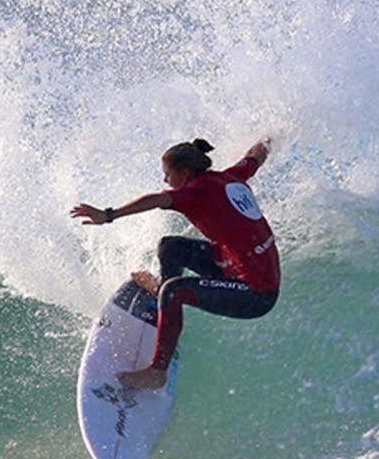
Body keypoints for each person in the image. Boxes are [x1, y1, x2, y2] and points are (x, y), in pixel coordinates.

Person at [70, 136, 279, 390]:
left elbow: (156, 200)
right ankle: (162, 304)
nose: (165, 181)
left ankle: (158, 372)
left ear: (185, 173)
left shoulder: (193, 193)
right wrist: (270, 137)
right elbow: (255, 157)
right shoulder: (229, 177)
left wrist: (108, 215)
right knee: (170, 246)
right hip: (233, 268)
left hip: (255, 294)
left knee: (174, 290)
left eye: (167, 174)